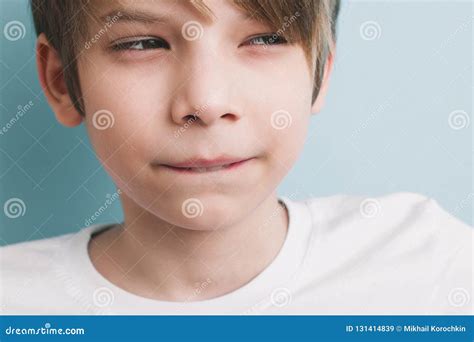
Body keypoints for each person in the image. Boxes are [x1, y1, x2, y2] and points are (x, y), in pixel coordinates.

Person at [1, 0, 472, 315]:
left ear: (320, 73)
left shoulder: (431, 268)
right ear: (62, 82)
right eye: (142, 43)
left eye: (264, 39)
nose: (206, 102)